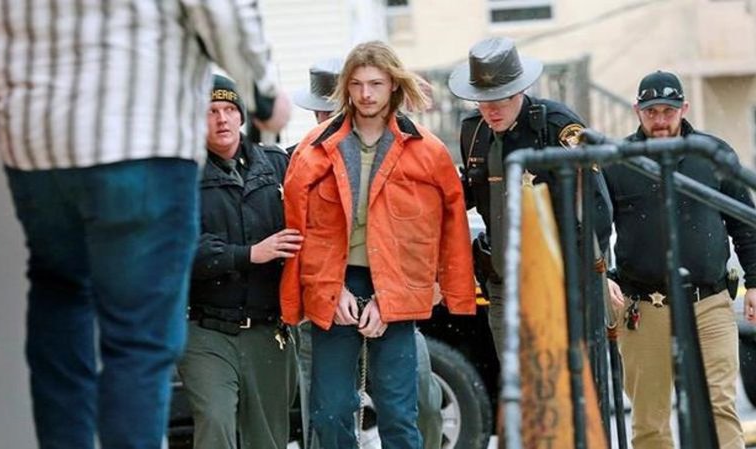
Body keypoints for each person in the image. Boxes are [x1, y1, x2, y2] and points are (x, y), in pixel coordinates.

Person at [0, 1, 289, 448]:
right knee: (138, 334)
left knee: (61, 295)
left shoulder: (268, 165)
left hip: (38, 139)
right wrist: (264, 95)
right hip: (137, 140)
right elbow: (221, 12)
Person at [280, 41, 476, 449]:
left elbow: (439, 233)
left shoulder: (428, 152)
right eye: (356, 84)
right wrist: (328, 290)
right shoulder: (314, 149)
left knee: (400, 414)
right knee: (330, 413)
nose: (366, 94)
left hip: (396, 285)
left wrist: (395, 299)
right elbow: (302, 231)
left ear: (394, 86)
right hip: (336, 285)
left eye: (375, 84)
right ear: (345, 88)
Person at [605, 70, 756, 449]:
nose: (660, 120)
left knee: (719, 406)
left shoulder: (712, 155)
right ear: (637, 111)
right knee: (650, 418)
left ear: (684, 109)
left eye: (668, 111)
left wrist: (755, 281)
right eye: (651, 112)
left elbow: (745, 222)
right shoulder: (617, 162)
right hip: (644, 306)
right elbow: (592, 226)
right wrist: (601, 274)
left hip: (710, 302)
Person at [448, 37, 613, 356]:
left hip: (559, 278)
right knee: (518, 377)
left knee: (567, 376)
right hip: (503, 281)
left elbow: (596, 205)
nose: (491, 110)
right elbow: (469, 191)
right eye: (482, 100)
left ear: (520, 90)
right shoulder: (474, 130)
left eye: (500, 98)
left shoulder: (556, 126)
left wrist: (589, 275)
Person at [178, 75, 299, 449]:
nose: (221, 119)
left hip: (268, 329)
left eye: (229, 109)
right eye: (210, 111)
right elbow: (182, 248)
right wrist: (249, 254)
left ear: (241, 116)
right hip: (206, 329)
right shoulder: (181, 175)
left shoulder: (276, 165)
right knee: (215, 421)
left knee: (269, 438)